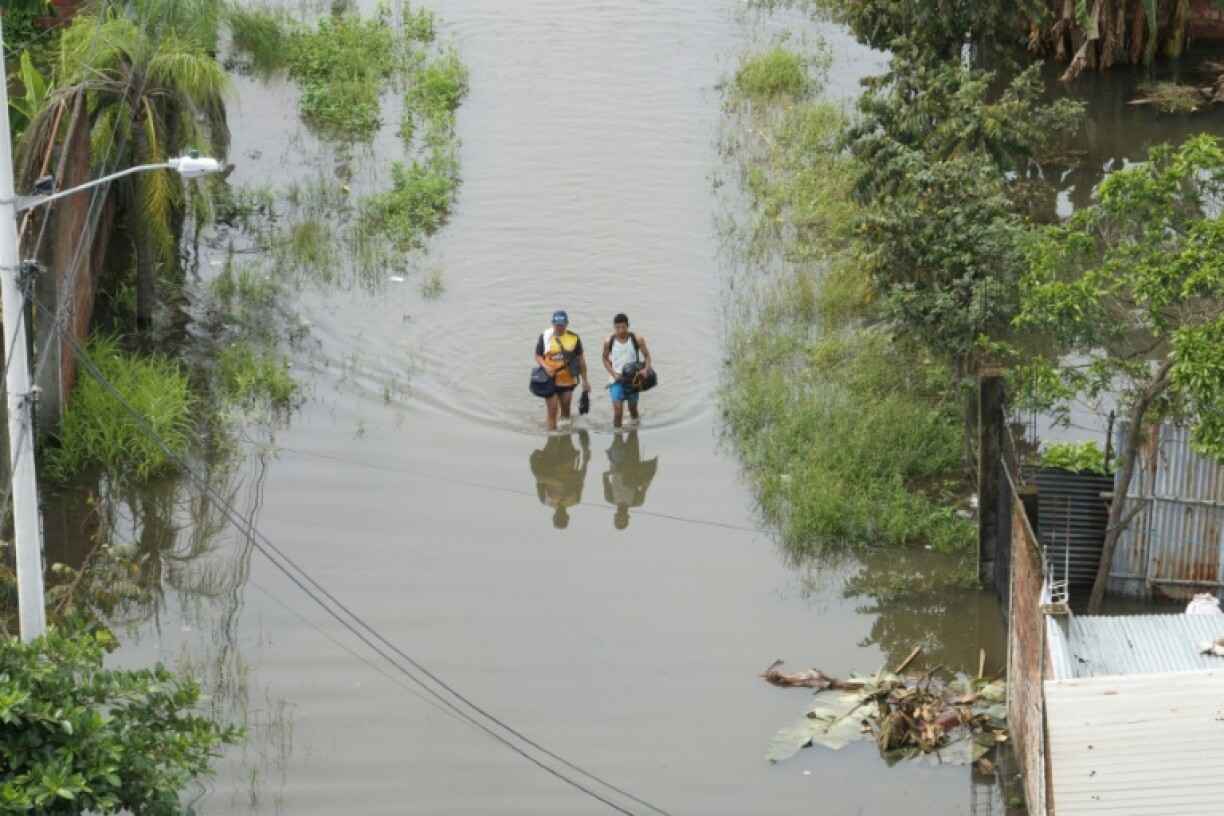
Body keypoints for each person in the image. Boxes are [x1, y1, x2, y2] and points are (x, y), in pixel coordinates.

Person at [535, 310, 591, 431]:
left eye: (562, 324)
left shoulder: (574, 338)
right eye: (557, 324)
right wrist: (546, 367)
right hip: (550, 380)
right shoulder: (545, 337)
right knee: (553, 410)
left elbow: (581, 360)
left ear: (567, 324)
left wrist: (585, 382)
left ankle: (566, 439)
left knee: (565, 411)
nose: (559, 326)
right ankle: (553, 437)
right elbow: (538, 356)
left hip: (568, 380)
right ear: (552, 323)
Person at [529, 430, 591, 529]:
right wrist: (585, 462)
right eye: (562, 519)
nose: (560, 516)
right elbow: (580, 479)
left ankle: (554, 419)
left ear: (553, 517)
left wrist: (555, 481)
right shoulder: (575, 500)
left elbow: (539, 480)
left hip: (550, 463)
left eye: (558, 519)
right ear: (567, 517)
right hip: (568, 461)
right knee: (566, 434)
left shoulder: (545, 500)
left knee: (552, 436)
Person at [601, 313, 652, 428]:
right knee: (618, 412)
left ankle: (634, 430)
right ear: (614, 327)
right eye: (617, 328)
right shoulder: (609, 341)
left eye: (623, 327)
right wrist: (613, 373)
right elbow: (604, 358)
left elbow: (647, 356)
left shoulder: (637, 339)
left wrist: (645, 369)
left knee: (633, 409)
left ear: (628, 326)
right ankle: (617, 437)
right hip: (616, 380)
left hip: (633, 380)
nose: (620, 330)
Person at [602, 430, 658, 530]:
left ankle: (619, 416)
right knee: (633, 432)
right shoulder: (637, 501)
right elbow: (645, 485)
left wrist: (612, 472)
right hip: (633, 462)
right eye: (623, 520)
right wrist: (645, 482)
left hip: (617, 462)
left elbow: (604, 477)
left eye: (618, 519)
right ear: (628, 518)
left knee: (617, 434)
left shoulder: (609, 498)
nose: (621, 517)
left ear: (615, 516)